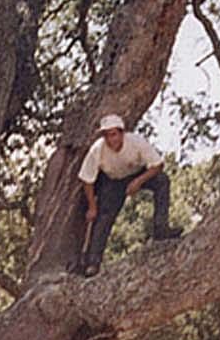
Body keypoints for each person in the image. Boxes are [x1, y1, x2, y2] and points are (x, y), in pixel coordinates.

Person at [78, 114, 182, 277]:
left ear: (122, 133)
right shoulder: (98, 149)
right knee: (104, 216)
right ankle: (93, 262)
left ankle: (161, 228)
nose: (110, 139)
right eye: (106, 135)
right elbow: (87, 179)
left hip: (137, 174)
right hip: (112, 181)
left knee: (162, 181)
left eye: (113, 134)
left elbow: (157, 165)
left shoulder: (136, 142)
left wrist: (138, 181)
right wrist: (92, 206)